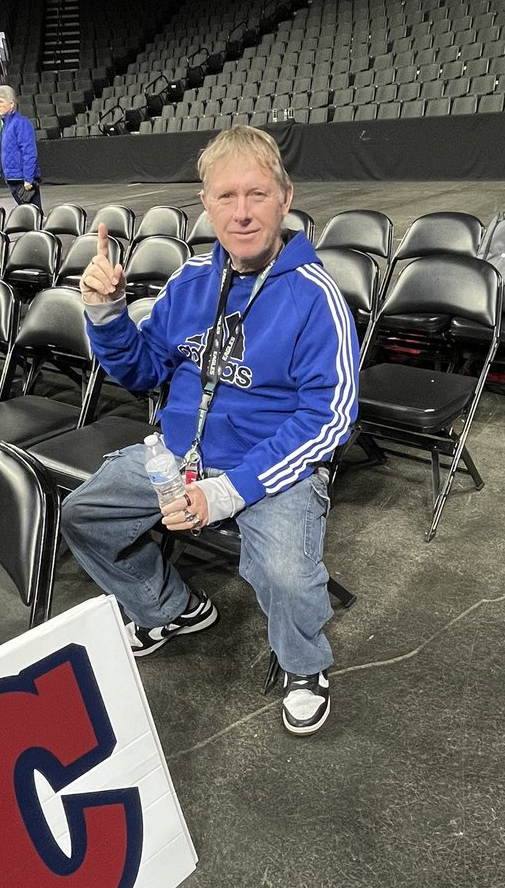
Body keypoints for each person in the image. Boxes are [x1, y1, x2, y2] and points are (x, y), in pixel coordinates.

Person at [61, 126, 360, 737]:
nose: (242, 212)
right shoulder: (191, 282)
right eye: (226, 197)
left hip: (270, 468)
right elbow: (144, 370)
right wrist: (107, 314)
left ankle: (304, 666)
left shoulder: (314, 295)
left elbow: (330, 417)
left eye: (257, 194)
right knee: (84, 514)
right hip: (178, 458)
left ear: (285, 197)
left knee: (282, 571)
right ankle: (173, 608)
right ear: (207, 204)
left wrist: (231, 491)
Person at [0, 84, 41, 209]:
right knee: (25, 215)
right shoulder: (3, 125)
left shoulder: (21, 123)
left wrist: (28, 179)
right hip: (12, 178)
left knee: (33, 214)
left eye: (2, 102)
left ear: (12, 104)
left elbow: (29, 152)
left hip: (23, 180)